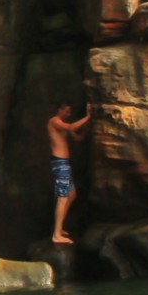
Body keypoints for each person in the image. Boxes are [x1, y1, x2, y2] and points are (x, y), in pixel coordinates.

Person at [47, 102, 94, 245]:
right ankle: (56, 234)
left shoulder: (63, 124)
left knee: (72, 195)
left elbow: (77, 137)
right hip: (59, 163)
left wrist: (85, 130)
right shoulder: (54, 121)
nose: (68, 114)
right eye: (66, 112)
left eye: (70, 112)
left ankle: (60, 229)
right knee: (63, 197)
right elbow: (72, 126)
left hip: (65, 163)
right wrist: (88, 116)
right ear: (59, 110)